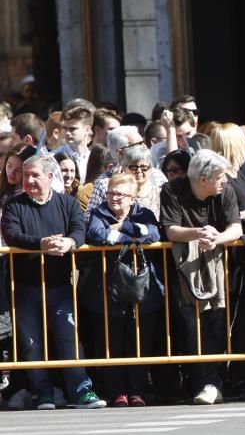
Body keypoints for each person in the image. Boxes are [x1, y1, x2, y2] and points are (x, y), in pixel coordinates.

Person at [1, 154, 104, 409]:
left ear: (50, 177)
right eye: (26, 175)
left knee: (69, 337)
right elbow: (12, 234)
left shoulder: (67, 204)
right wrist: (41, 243)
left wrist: (69, 242)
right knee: (31, 342)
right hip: (24, 286)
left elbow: (79, 230)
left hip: (60, 285)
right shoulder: (15, 205)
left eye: (35, 175)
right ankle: (42, 392)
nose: (29, 180)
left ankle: (81, 390)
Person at [159, 149, 243, 404]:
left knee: (217, 323)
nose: (225, 182)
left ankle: (213, 383)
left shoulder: (225, 192)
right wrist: (198, 233)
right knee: (193, 325)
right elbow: (171, 229)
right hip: (185, 269)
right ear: (203, 179)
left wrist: (217, 237)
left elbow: (236, 227)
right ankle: (201, 382)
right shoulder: (172, 190)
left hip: (218, 267)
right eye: (219, 177)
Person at [84, 173, 163, 407]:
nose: (114, 198)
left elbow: (154, 233)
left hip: (140, 288)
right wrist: (131, 235)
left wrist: (124, 227)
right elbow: (97, 234)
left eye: (120, 194)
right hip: (108, 288)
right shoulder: (99, 212)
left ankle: (137, 389)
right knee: (111, 339)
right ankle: (117, 390)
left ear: (132, 197)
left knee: (138, 337)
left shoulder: (143, 212)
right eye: (111, 193)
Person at [51, 105, 93, 172]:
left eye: (72, 129)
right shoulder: (53, 158)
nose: (67, 133)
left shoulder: (93, 158)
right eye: (65, 128)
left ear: (87, 130)